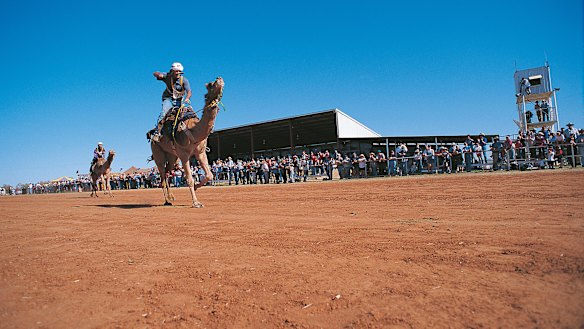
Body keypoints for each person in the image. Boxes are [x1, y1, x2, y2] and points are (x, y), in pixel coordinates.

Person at [150, 62, 192, 142]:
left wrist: (187, 98)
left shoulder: (184, 80)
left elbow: (189, 91)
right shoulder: (167, 76)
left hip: (179, 100)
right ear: (172, 71)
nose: (178, 73)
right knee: (164, 113)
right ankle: (157, 133)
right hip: (168, 98)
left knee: (185, 113)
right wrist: (158, 75)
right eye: (176, 71)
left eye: (179, 72)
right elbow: (155, 73)